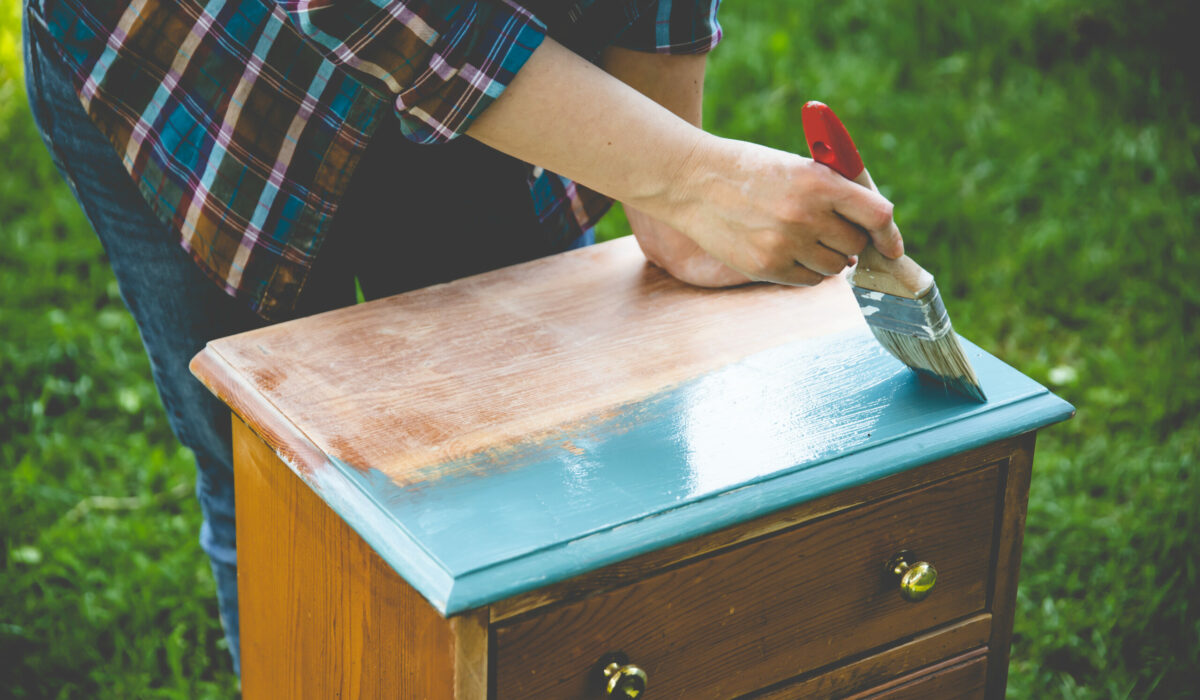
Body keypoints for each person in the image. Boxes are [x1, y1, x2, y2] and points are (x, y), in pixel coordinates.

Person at [23, 0, 903, 675]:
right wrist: (687, 174)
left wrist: (672, 176)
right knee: (273, 490)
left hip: (495, 51)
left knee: (547, 453)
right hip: (206, 66)